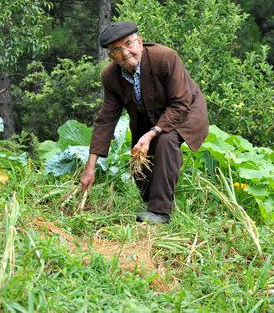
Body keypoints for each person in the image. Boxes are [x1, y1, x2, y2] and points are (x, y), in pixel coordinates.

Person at [80, 21, 209, 224]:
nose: (126, 52)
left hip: (186, 110)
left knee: (166, 141)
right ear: (112, 56)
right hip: (149, 116)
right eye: (117, 49)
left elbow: (180, 103)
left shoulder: (165, 57)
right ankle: (155, 204)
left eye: (129, 43)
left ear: (139, 42)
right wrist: (90, 165)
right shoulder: (110, 76)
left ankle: (160, 212)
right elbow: (106, 119)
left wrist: (152, 133)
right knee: (138, 161)